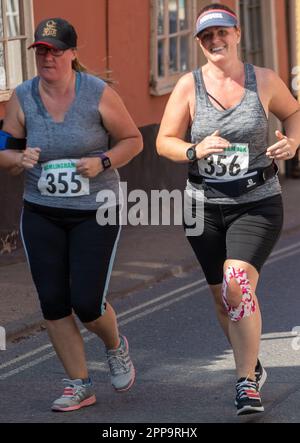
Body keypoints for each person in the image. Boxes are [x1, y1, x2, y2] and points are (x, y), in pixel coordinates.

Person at [156, 4, 300, 416]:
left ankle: (244, 384)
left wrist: (293, 142)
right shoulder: (189, 87)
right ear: (200, 43)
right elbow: (163, 139)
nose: (216, 41)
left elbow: (294, 113)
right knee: (223, 298)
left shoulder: (265, 81)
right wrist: (192, 149)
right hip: (203, 206)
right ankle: (251, 362)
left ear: (236, 34)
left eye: (222, 33)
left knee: (236, 282)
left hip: (256, 201)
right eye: (207, 36)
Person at [0, 18, 143, 412]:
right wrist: (17, 157)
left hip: (95, 211)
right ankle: (79, 383)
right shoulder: (23, 96)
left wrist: (103, 160)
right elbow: (4, 150)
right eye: (41, 51)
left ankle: (115, 345)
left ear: (72, 54)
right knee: (52, 301)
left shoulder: (97, 93)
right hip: (42, 212)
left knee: (86, 301)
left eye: (56, 50)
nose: (48, 57)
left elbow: (133, 140)